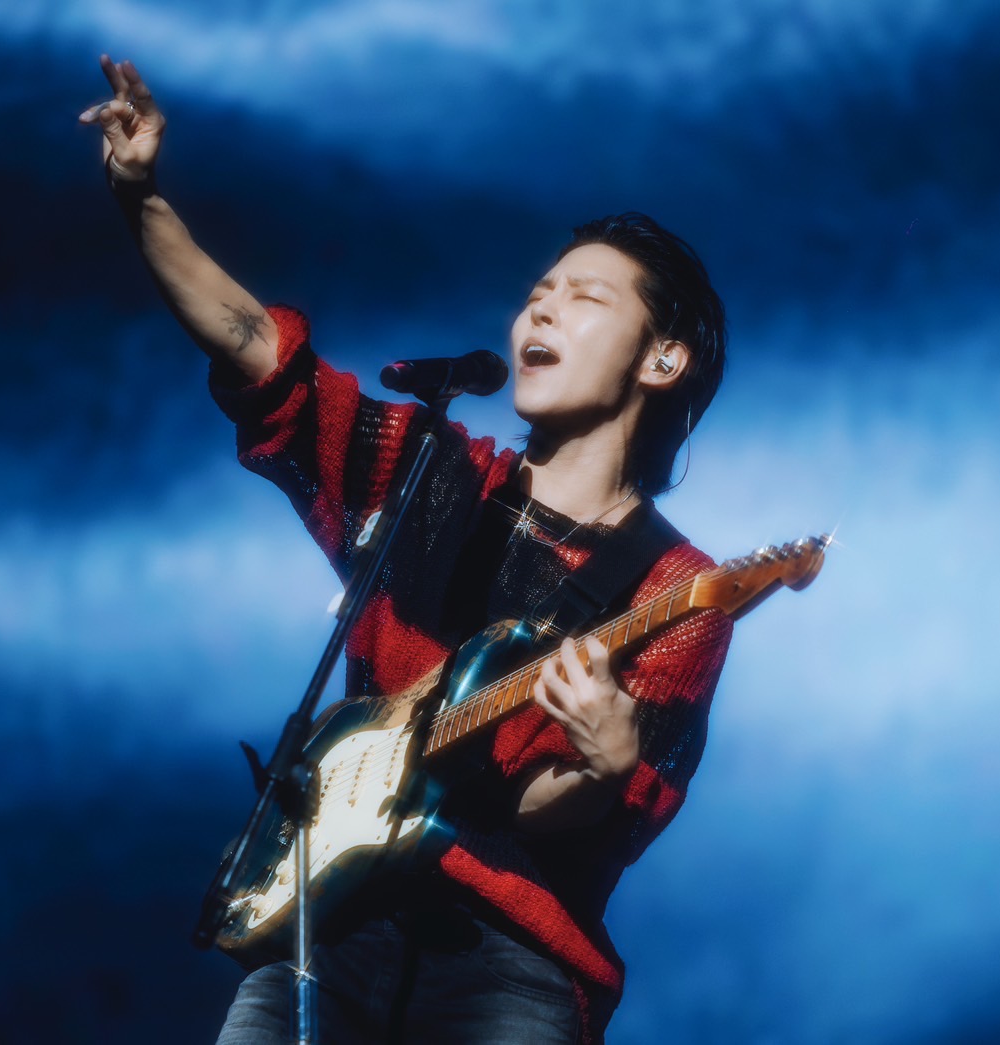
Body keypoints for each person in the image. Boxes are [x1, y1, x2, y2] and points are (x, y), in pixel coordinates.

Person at [81, 55, 734, 1045]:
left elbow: (555, 813)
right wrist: (142, 198)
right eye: (538, 292)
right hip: (325, 920)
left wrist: (603, 765)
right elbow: (259, 350)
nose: (540, 309)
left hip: (508, 962)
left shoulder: (677, 589)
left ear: (662, 357)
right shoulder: (431, 474)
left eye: (585, 297)